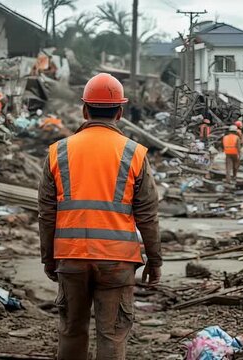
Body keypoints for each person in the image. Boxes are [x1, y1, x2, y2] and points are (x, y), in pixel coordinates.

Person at [38, 73, 162, 360]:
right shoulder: (135, 153)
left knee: (71, 331)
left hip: (71, 257)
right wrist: (154, 262)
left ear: (84, 109)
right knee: (112, 335)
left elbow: (47, 214)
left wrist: (49, 258)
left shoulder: (58, 152)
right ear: (120, 112)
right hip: (117, 262)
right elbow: (148, 216)